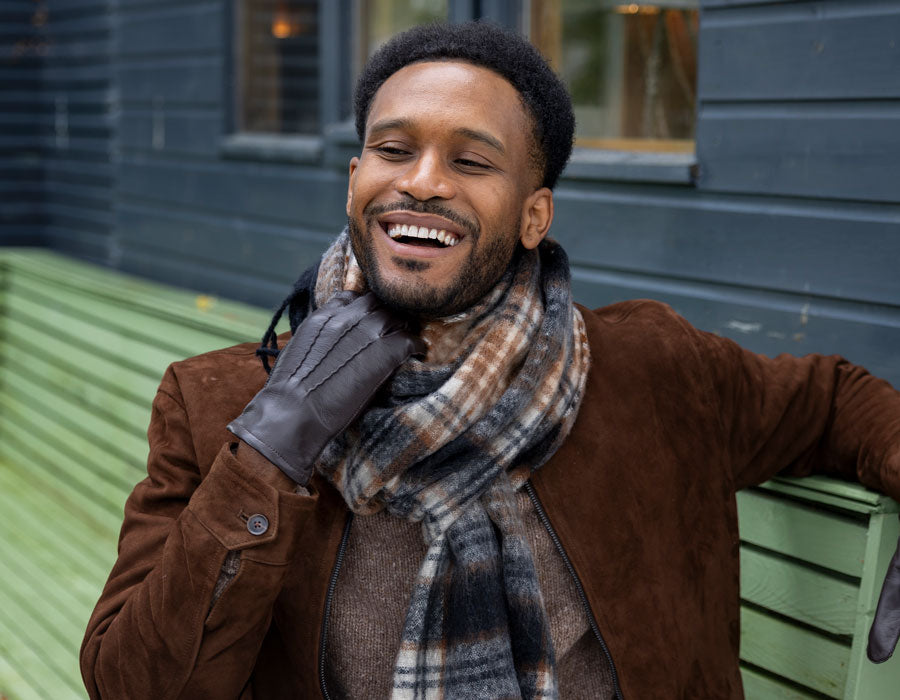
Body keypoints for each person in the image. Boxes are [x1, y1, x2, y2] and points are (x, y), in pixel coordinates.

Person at [81, 21, 900, 699]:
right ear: (354, 179)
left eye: (471, 161)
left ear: (534, 214)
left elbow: (833, 399)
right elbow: (133, 685)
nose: (424, 183)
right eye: (393, 150)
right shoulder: (218, 400)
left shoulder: (656, 370)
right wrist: (276, 442)